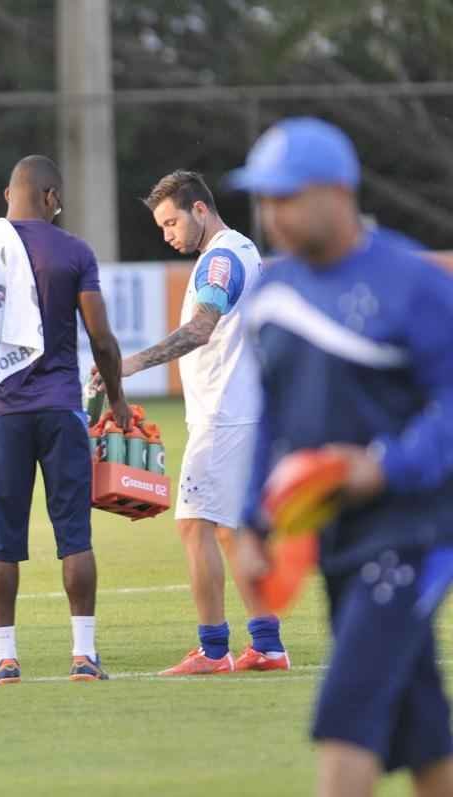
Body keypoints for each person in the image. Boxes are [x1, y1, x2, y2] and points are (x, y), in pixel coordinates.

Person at [230, 117, 453, 796]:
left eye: (285, 196)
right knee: (422, 729)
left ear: (336, 192)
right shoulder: (269, 296)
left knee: (347, 710)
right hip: (335, 536)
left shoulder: (414, 284)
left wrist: (385, 464)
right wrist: (250, 521)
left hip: (416, 533)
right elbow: (273, 419)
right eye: (263, 199)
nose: (271, 214)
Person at [0, 155, 131, 684]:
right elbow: (103, 340)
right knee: (75, 536)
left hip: (4, 413)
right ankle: (84, 656)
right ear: (50, 197)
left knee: (1, 540)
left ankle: (5, 659)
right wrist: (116, 400)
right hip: (62, 410)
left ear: (8, 195)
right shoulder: (73, 251)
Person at [91, 170, 288, 675]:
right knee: (229, 532)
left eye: (171, 222)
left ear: (200, 210)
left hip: (226, 414)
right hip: (239, 411)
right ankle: (266, 645)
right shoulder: (237, 252)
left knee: (193, 525)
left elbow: (201, 330)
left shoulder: (220, 259)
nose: (167, 234)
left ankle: (214, 650)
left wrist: (128, 364)